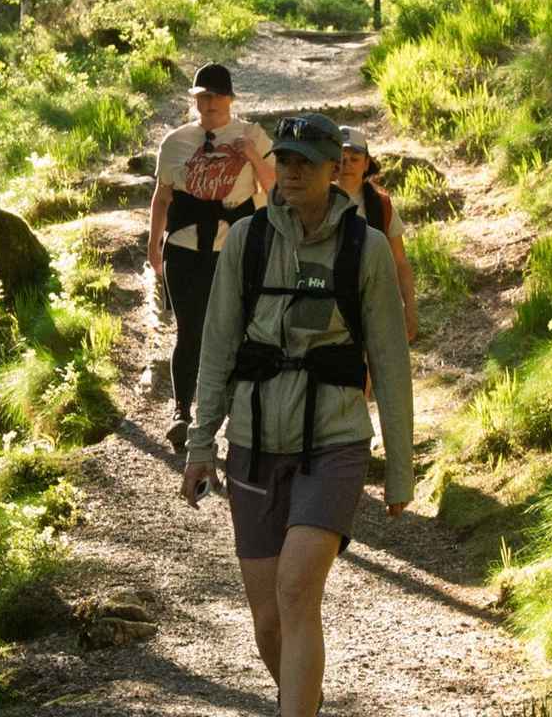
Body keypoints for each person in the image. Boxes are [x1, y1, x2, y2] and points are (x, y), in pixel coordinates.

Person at [180, 113, 414, 717]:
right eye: (283, 159)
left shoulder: (366, 248)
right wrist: (201, 444)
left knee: (295, 590)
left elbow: (390, 361)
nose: (290, 171)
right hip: (254, 442)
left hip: (334, 442)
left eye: (305, 162)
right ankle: (300, 699)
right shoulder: (248, 240)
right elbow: (217, 345)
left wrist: (400, 468)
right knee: (267, 622)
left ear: (335, 168)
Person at [149, 62, 275, 451]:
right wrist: (154, 244)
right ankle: (181, 414)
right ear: (195, 99)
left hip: (235, 250)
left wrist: (252, 156)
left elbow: (274, 189)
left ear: (231, 99)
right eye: (203, 96)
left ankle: (234, 417)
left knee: (235, 331)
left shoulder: (252, 135)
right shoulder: (175, 142)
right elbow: (162, 197)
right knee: (189, 331)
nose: (210, 103)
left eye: (217, 96)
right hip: (184, 249)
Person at [335, 126, 418, 344]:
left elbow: (400, 262)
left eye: (354, 159)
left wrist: (409, 308)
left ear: (366, 164)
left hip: (374, 302)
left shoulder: (381, 205)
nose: (346, 165)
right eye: (340, 159)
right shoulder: (316, 202)